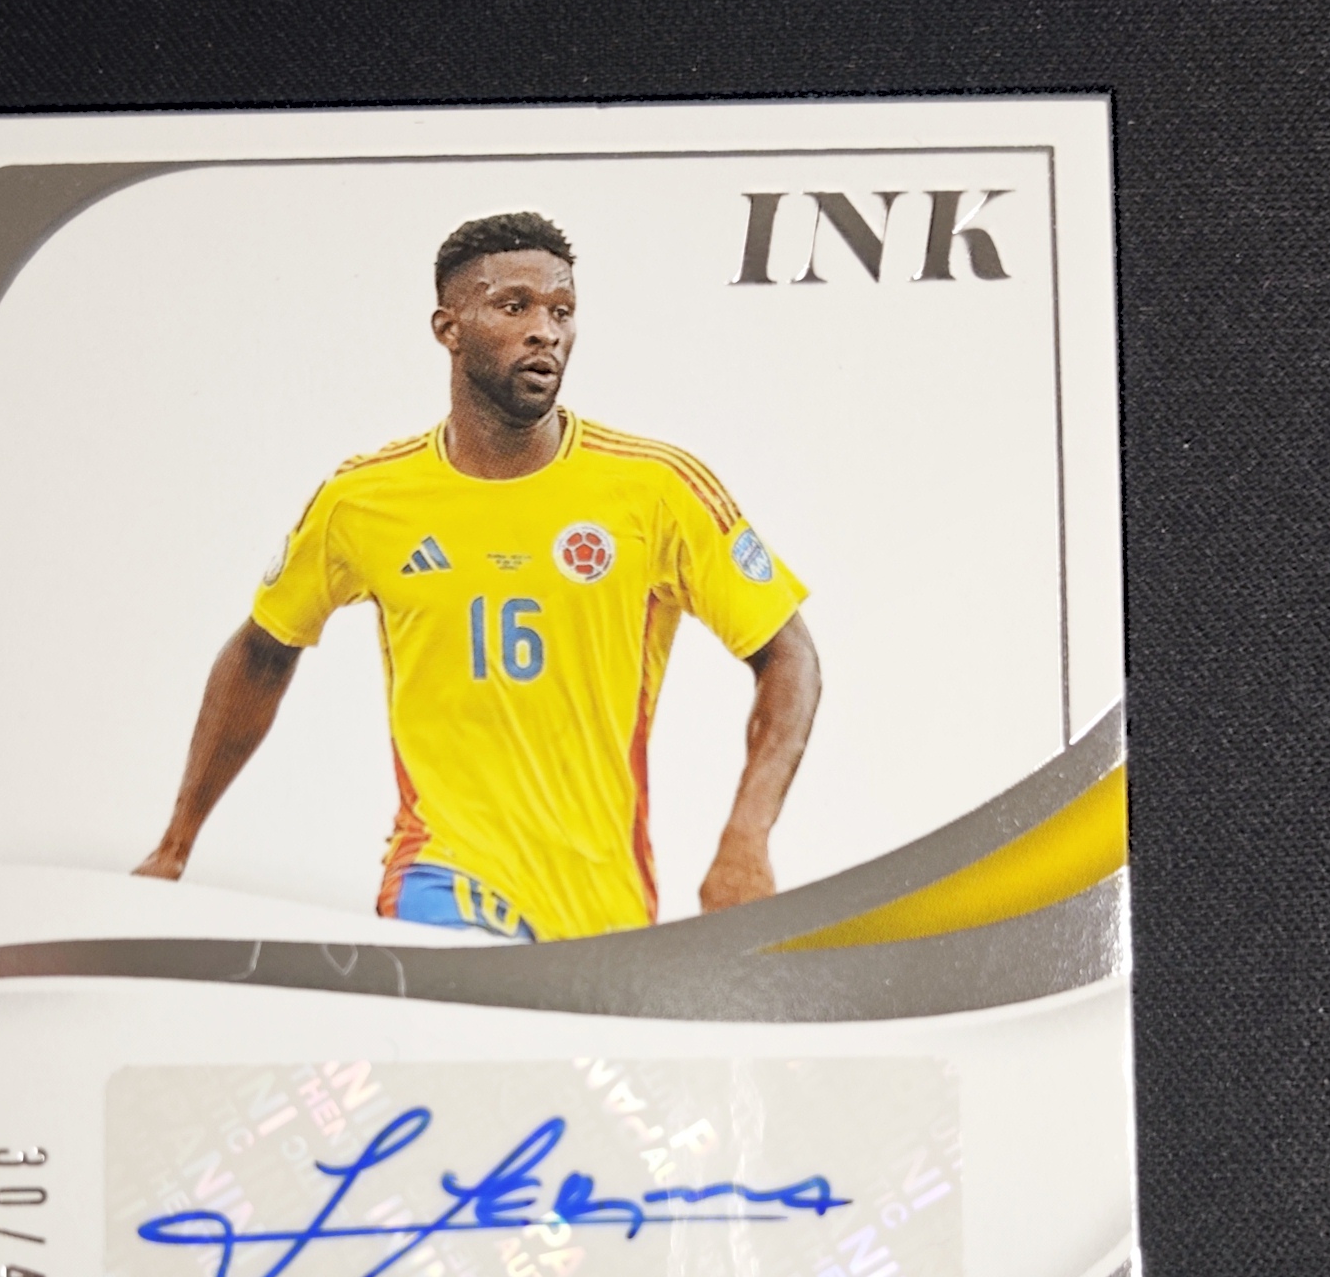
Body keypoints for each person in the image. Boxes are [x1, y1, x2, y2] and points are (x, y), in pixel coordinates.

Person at [135, 214, 822, 939]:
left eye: (562, 311)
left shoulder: (657, 489)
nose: (544, 331)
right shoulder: (364, 500)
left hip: (603, 913)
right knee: (460, 966)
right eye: (514, 306)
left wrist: (748, 838)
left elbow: (789, 654)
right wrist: (175, 844)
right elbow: (262, 651)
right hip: (438, 874)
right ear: (448, 328)